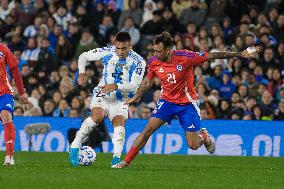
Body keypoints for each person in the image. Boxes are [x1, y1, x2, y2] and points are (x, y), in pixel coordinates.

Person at [112, 31, 261, 168]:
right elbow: (148, 80)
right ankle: (126, 161)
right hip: (166, 101)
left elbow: (212, 55)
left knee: (193, 145)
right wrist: (137, 96)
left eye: (159, 51)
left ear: (168, 50)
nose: (155, 54)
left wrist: (240, 54)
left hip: (187, 104)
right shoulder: (153, 62)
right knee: (147, 130)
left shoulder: (186, 57)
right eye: (154, 50)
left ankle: (203, 136)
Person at [69, 32, 146, 167]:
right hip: (103, 92)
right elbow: (83, 56)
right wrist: (81, 72)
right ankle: (75, 146)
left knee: (119, 123)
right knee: (97, 117)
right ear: (114, 45)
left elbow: (134, 87)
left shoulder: (139, 61)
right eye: (118, 48)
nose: (120, 51)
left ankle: (116, 158)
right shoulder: (108, 52)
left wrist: (116, 86)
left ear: (130, 46)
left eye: (124, 48)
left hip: (121, 98)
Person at [0, 43, 28, 165]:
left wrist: (22, 92)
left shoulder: (3, 49)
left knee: (6, 116)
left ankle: (9, 156)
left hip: (4, 92)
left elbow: (15, 70)